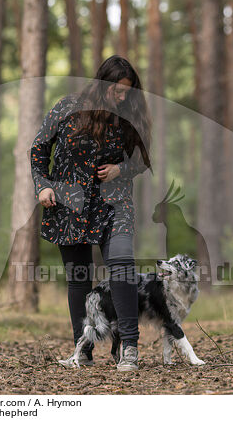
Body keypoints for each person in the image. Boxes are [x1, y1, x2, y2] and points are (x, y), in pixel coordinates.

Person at [30, 55, 152, 371]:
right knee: (79, 277)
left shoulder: (130, 115)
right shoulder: (67, 108)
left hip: (115, 204)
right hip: (69, 205)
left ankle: (129, 347)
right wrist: (42, 185)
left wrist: (120, 169)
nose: (122, 97)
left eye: (128, 91)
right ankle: (82, 349)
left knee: (123, 264)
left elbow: (141, 159)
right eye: (117, 90)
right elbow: (39, 149)